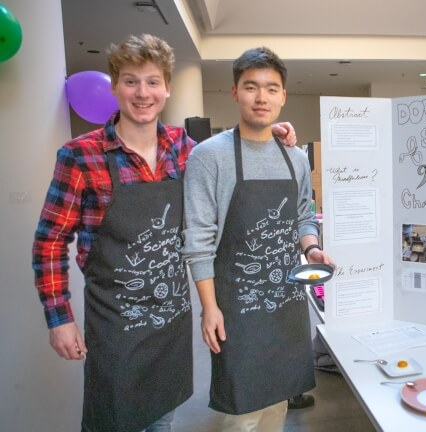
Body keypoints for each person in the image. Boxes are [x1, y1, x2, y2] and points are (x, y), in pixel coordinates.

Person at [32, 34, 296, 432]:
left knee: (162, 420)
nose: (143, 93)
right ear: (115, 86)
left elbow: (228, 158)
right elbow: (49, 242)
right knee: (113, 420)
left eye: (153, 81)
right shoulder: (80, 155)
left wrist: (270, 135)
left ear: (167, 88)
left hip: (172, 325)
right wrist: (59, 319)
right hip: (115, 325)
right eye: (131, 81)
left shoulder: (184, 148)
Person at [182, 46, 334, 430]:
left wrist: (311, 248)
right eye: (251, 87)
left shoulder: (296, 158)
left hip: (285, 307)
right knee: (241, 415)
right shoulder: (208, 156)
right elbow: (198, 239)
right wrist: (209, 307)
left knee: (277, 409)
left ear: (283, 96)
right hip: (237, 309)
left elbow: (302, 216)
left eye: (271, 88)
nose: (261, 97)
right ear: (235, 93)